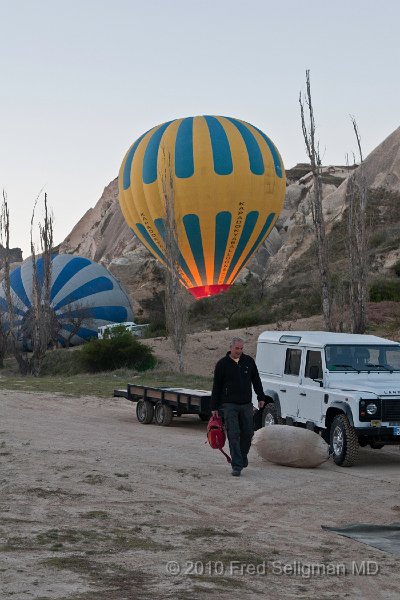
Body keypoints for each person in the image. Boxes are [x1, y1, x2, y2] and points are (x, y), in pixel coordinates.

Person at [211, 337, 266, 477]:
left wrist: (261, 397)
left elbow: (256, 380)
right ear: (231, 348)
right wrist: (214, 406)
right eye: (237, 348)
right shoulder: (222, 364)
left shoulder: (248, 361)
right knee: (234, 434)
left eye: (241, 348)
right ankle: (237, 465)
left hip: (246, 404)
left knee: (248, 433)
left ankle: (242, 456)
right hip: (229, 405)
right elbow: (216, 386)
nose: (239, 351)